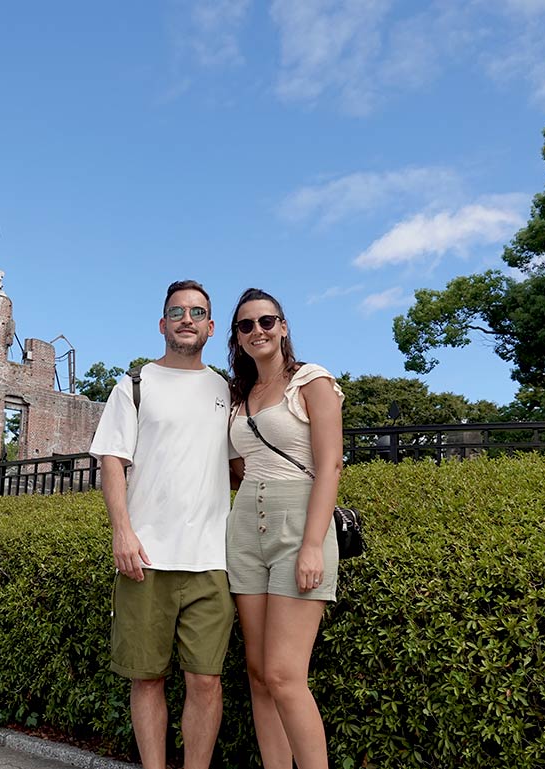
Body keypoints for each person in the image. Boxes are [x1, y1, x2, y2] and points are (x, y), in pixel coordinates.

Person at [90, 279, 233, 769]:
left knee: (206, 681)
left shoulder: (227, 392)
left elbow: (239, 466)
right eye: (177, 311)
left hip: (212, 560)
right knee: (146, 678)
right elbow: (112, 461)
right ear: (162, 323)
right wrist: (122, 532)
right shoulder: (133, 384)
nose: (186, 319)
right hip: (145, 557)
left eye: (197, 312)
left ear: (211, 327)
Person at [225, 288, 344, 769]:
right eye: (246, 325)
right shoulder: (239, 397)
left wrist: (313, 544)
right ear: (235, 336)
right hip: (244, 530)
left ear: (284, 326)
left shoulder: (311, 381)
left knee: (284, 674)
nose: (258, 331)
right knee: (257, 672)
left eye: (267, 322)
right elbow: (237, 466)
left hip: (299, 524)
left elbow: (330, 463)